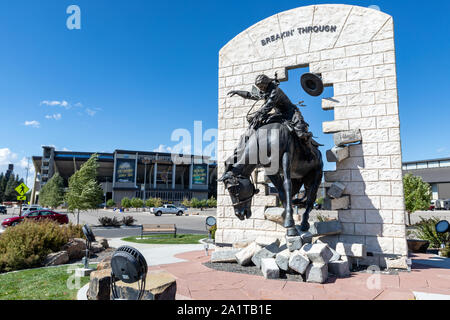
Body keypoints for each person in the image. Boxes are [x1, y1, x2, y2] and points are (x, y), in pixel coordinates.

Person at [220, 74, 317, 180]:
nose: (260, 88)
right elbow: (251, 95)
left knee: (301, 132)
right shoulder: (265, 91)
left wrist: (258, 114)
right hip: (279, 114)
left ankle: (309, 152)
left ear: (266, 83)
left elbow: (269, 105)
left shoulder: (275, 90)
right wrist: (238, 92)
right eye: (259, 87)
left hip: (291, 113)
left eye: (261, 86)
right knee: (257, 125)